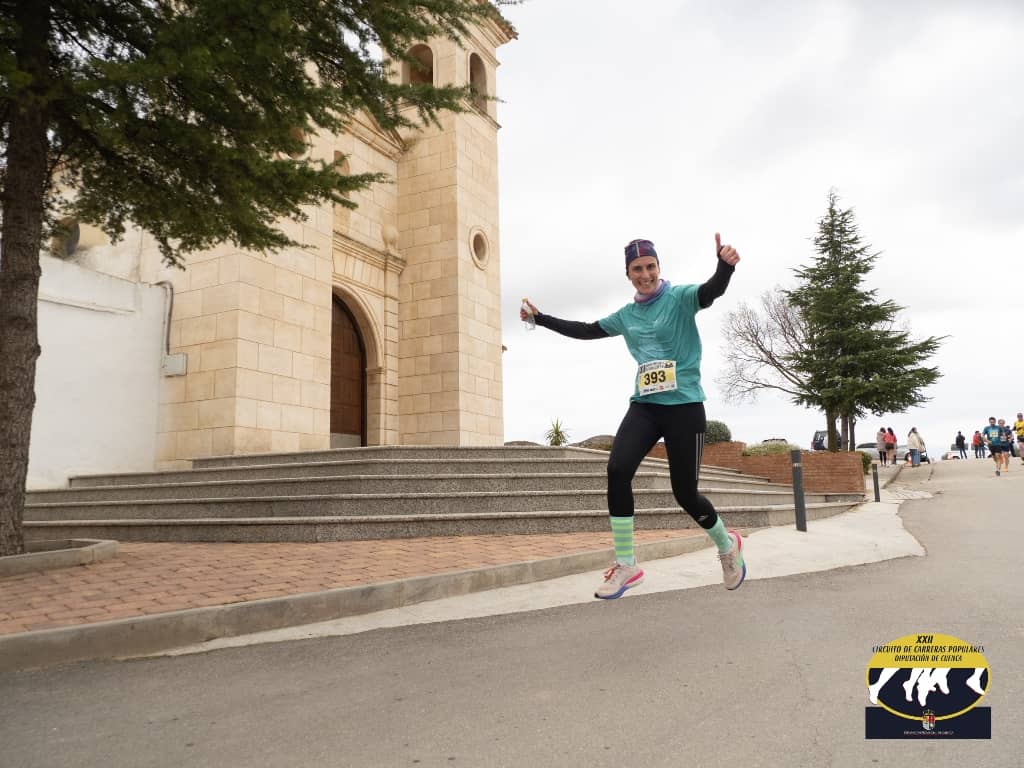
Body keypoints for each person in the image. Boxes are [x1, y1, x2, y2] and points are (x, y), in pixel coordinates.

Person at [521, 235, 744, 599]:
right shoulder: (626, 316)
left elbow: (710, 291)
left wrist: (725, 267)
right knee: (617, 469)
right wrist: (540, 318)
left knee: (685, 494)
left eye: (650, 266)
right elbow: (586, 330)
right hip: (646, 406)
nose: (645, 274)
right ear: (628, 274)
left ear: (659, 267)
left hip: (685, 407)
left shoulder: (680, 298)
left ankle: (727, 545)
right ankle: (627, 564)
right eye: (637, 269)